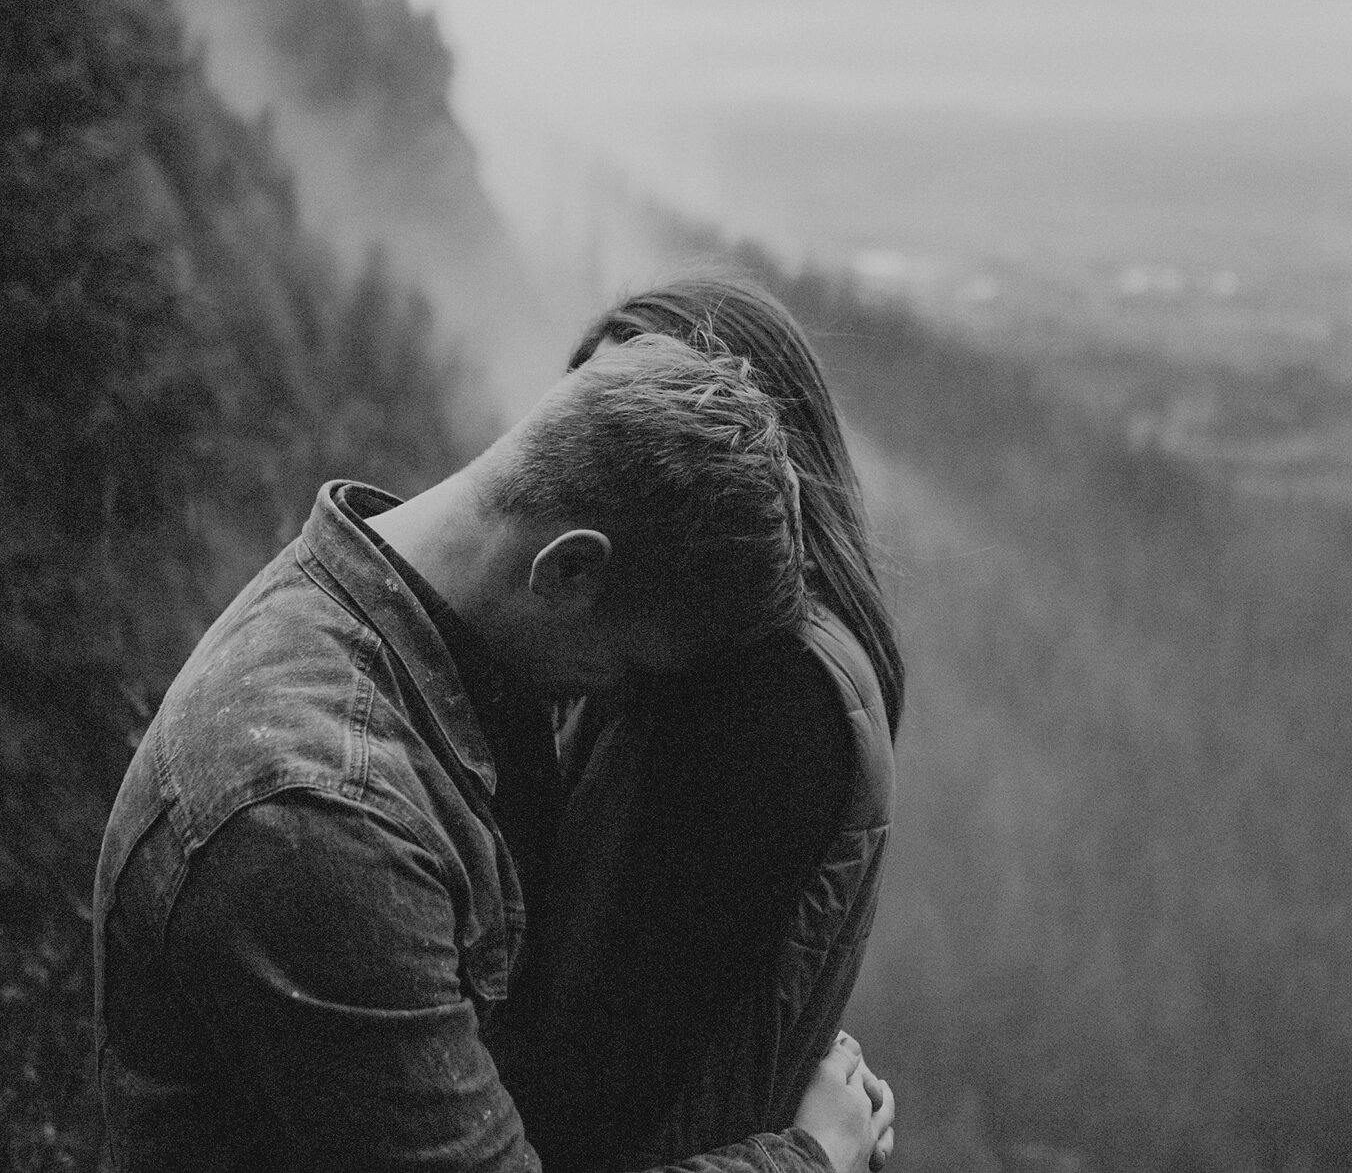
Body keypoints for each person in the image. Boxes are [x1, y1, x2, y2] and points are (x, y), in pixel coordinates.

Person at [92, 332, 895, 1172]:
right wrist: (810, 1156)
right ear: (570, 571)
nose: (607, 703)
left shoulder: (414, 647)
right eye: (624, 667)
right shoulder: (327, 820)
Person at [491, 276, 905, 1173]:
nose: (597, 462)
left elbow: (603, 1077)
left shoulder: (768, 692)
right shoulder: (699, 659)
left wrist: (809, 1153)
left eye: (641, 424)